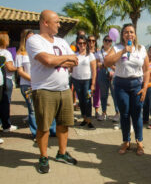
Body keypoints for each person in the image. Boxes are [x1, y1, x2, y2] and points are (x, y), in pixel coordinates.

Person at [26, 10, 79, 174]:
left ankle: (62, 153)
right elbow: (47, 61)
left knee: (64, 124)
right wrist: (64, 59)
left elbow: (75, 61)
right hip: (44, 90)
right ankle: (43, 157)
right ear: (45, 22)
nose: (59, 24)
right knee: (44, 126)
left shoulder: (62, 41)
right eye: (56, 21)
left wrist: (58, 60)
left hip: (64, 89)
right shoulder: (34, 40)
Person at [104, 23, 150, 155]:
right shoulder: (117, 47)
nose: (129, 34)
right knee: (124, 114)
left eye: (131, 32)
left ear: (135, 35)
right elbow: (107, 62)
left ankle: (139, 142)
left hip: (137, 84)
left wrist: (145, 87)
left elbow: (146, 70)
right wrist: (123, 51)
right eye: (126, 32)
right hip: (120, 85)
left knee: (137, 115)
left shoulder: (141, 49)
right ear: (122, 35)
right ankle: (126, 141)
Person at [16, 29, 57, 139]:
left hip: (42, 84)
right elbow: (20, 71)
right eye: (29, 38)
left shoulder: (40, 51)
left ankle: (53, 130)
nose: (32, 40)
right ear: (24, 40)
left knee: (48, 108)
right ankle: (35, 133)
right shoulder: (21, 54)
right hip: (28, 85)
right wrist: (32, 79)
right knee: (33, 110)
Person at [71, 35, 97, 129]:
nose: (82, 45)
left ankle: (89, 120)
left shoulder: (90, 55)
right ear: (77, 44)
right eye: (80, 43)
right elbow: (70, 68)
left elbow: (94, 70)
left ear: (86, 44)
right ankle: (84, 118)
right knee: (81, 101)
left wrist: (93, 84)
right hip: (76, 80)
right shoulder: (74, 55)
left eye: (84, 43)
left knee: (88, 100)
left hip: (88, 81)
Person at [95, 35, 119, 121]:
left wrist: (110, 67)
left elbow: (117, 65)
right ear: (103, 41)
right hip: (102, 74)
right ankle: (104, 112)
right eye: (106, 40)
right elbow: (97, 64)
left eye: (110, 41)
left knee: (114, 94)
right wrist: (106, 65)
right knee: (103, 95)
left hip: (113, 74)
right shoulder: (98, 52)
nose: (108, 42)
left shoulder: (115, 52)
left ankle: (117, 113)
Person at [0, 31, 17, 132]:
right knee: (5, 103)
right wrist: (19, 68)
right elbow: (10, 68)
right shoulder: (6, 53)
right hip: (6, 80)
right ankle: (6, 125)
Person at [87, 35, 101, 119]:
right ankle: (87, 111)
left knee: (96, 93)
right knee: (88, 94)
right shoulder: (84, 51)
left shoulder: (98, 52)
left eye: (93, 41)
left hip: (97, 75)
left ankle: (96, 111)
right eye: (89, 40)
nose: (91, 42)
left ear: (95, 42)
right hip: (87, 76)